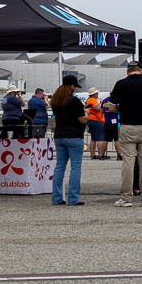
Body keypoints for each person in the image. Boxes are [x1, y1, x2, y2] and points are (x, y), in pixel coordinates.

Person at [108, 61, 142, 207]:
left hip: (127, 127)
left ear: (127, 71)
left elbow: (111, 108)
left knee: (128, 163)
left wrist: (124, 109)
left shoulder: (120, 84)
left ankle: (126, 198)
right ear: (141, 70)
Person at [48, 75, 87, 206]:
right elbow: (81, 119)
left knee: (59, 166)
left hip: (59, 135)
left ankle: (57, 198)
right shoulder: (75, 101)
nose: (76, 89)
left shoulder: (55, 100)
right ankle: (73, 198)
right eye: (75, 86)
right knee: (75, 167)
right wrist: (86, 114)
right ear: (72, 86)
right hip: (74, 135)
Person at [85, 89, 108, 159]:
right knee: (100, 138)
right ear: (94, 94)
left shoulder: (89, 100)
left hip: (90, 119)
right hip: (96, 120)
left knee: (93, 138)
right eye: (97, 93)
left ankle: (93, 154)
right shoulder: (93, 100)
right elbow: (97, 108)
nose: (98, 95)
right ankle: (101, 154)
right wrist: (101, 104)